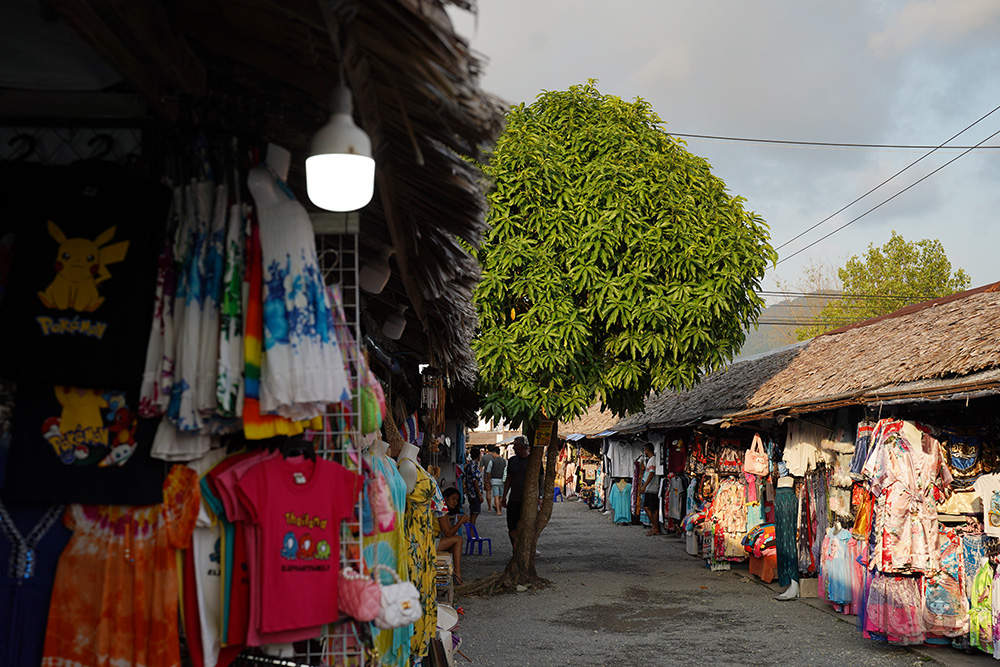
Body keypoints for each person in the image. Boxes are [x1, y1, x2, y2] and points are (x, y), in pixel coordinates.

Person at [502, 437, 530, 549]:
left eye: (516, 445)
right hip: (514, 499)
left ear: (522, 446)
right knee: (512, 526)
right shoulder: (512, 461)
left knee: (526, 525)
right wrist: (504, 496)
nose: (513, 447)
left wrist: (540, 496)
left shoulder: (532, 461)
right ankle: (515, 545)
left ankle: (524, 546)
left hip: (528, 500)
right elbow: (509, 479)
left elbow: (540, 479)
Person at [436, 487, 467, 584]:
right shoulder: (441, 511)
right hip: (430, 541)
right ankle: (457, 572)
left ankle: (452, 573)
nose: (455, 502)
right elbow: (448, 533)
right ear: (445, 498)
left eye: (457, 500)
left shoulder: (444, 511)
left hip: (435, 541)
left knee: (454, 544)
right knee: (458, 539)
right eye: (453, 499)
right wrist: (460, 522)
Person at [641, 442, 661, 536]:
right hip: (651, 487)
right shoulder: (651, 460)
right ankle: (654, 527)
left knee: (651, 508)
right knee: (650, 508)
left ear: (647, 450)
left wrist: (644, 486)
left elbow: (651, 473)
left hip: (652, 487)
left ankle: (655, 527)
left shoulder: (652, 460)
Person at [464, 448, 485, 525]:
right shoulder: (473, 466)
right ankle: (472, 532)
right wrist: (479, 493)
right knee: (475, 513)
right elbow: (474, 480)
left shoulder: (471, 465)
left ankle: (472, 532)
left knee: (473, 512)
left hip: (471, 492)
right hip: (474, 493)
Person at [489, 445, 507, 516]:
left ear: (494, 453)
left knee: (496, 496)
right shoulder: (505, 461)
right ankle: (500, 509)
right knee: (501, 496)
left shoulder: (492, 461)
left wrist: (488, 478)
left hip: (494, 480)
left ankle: (498, 511)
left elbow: (488, 471)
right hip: (502, 480)